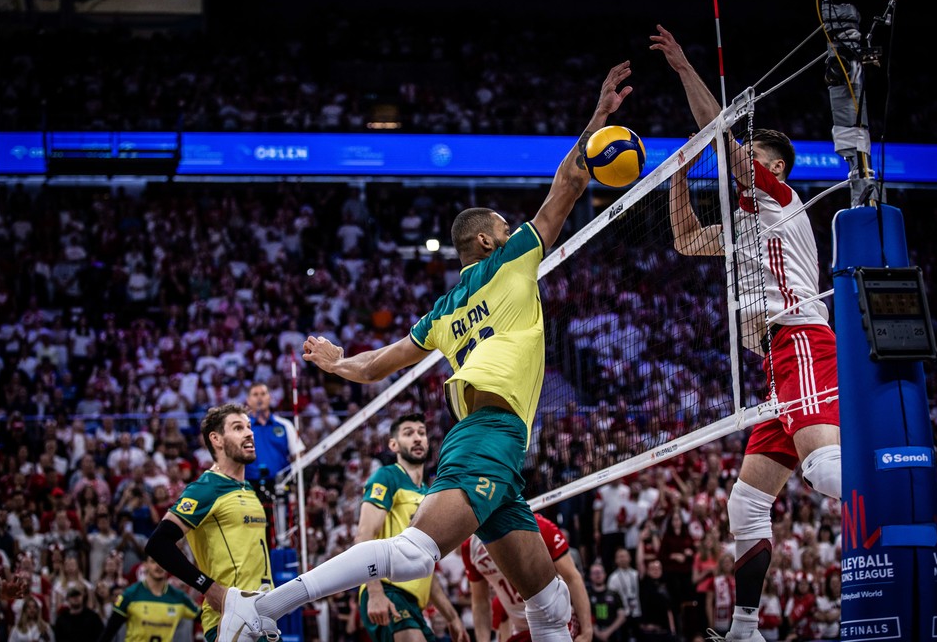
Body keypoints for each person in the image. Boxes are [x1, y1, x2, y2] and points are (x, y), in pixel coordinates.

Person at [216, 61, 634, 642]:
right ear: (489, 240)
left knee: (549, 604)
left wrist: (338, 362)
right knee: (413, 555)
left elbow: (374, 366)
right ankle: (262, 608)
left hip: (498, 448)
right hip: (488, 432)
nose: (517, 230)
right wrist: (598, 118)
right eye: (506, 226)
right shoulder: (510, 259)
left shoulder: (441, 312)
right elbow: (568, 182)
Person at [652, 25, 841, 642]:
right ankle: (744, 630)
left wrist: (684, 68)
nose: (744, 165)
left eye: (752, 157)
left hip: (802, 339)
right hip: (773, 365)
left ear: (775, 166)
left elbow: (722, 139)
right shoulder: (741, 226)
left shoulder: (778, 198)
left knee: (824, 471)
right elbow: (685, 239)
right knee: (744, 503)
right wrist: (679, 175)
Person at [144, 403, 279, 641]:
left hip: (263, 618)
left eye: (249, 426)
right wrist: (209, 588)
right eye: (238, 428)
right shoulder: (206, 488)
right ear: (216, 439)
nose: (250, 433)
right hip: (228, 621)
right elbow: (158, 544)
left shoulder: (249, 489)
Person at [357, 413, 467, 642]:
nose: (417, 438)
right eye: (408, 434)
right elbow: (363, 536)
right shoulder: (387, 476)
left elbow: (425, 568)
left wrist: (452, 617)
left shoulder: (429, 495)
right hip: (388, 589)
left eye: (421, 433)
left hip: (415, 602)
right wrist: (375, 592)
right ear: (393, 444)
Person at [463, 513, 592, 642]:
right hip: (521, 628)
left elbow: (572, 578)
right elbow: (480, 602)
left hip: (556, 620)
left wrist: (587, 631)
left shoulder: (538, 525)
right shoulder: (469, 547)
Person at [95, 556, 200, 642]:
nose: (159, 566)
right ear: (145, 565)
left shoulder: (179, 597)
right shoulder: (130, 595)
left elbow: (203, 616)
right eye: (154, 561)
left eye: (163, 562)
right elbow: (108, 632)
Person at [587, 564, 627, 642]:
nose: (598, 575)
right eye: (595, 573)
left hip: (613, 635)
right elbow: (586, 616)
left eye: (600, 572)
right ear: (590, 576)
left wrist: (608, 632)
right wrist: (597, 632)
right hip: (594, 635)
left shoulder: (614, 594)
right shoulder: (587, 596)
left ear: (605, 575)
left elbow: (622, 616)